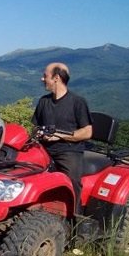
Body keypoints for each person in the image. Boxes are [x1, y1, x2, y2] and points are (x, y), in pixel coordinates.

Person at [31, 62, 93, 214]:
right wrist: (39, 133)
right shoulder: (43, 101)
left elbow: (87, 132)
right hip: (43, 149)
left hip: (68, 151)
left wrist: (59, 136)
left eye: (45, 76)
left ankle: (75, 223)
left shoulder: (77, 102)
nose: (42, 79)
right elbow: (35, 126)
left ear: (56, 78)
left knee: (73, 182)